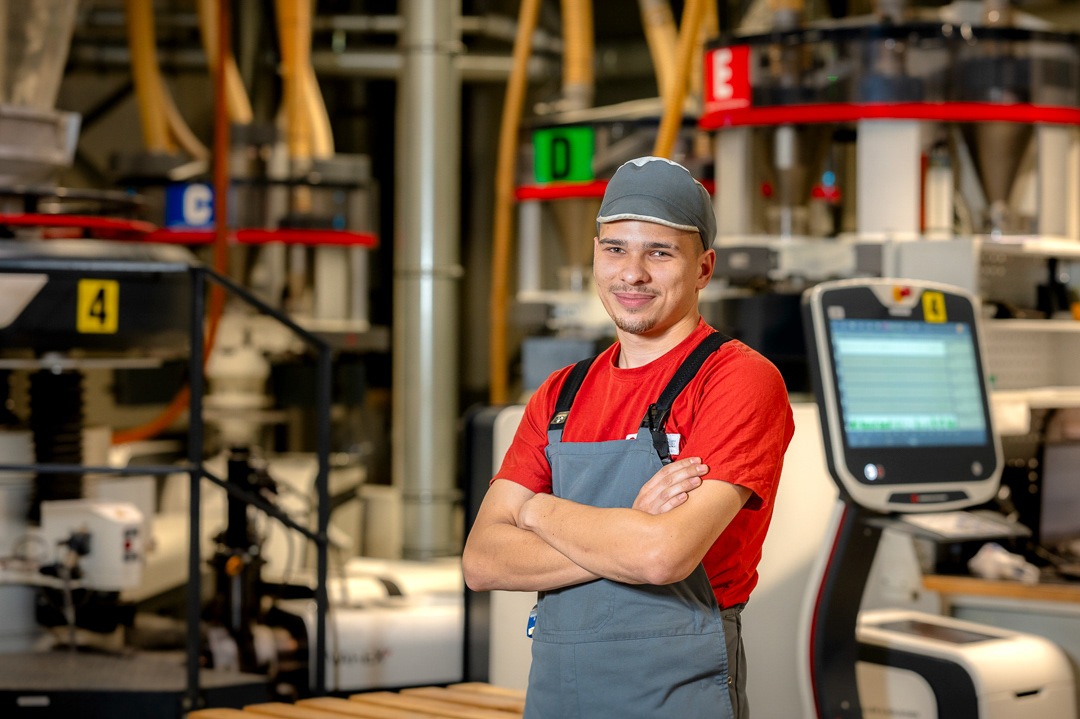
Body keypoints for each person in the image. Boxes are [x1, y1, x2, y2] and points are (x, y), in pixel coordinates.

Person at [463, 156, 794, 719]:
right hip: (557, 699)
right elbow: (483, 561)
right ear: (596, 255)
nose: (632, 273)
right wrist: (631, 526)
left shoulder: (738, 380)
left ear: (704, 268)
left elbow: (663, 556)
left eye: (659, 253)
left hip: (678, 697)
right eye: (615, 249)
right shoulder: (560, 395)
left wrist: (538, 510)